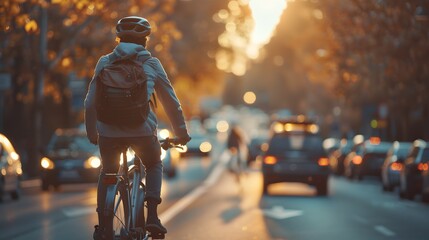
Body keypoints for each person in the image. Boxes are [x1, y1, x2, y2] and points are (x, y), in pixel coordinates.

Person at [84, 16, 190, 239]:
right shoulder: (151, 64)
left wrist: (92, 133)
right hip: (141, 132)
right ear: (145, 41)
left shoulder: (104, 62)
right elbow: (171, 102)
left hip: (108, 133)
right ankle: (152, 216)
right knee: (153, 164)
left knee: (107, 173)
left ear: (119, 39)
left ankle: (103, 226)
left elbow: (90, 102)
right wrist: (181, 134)